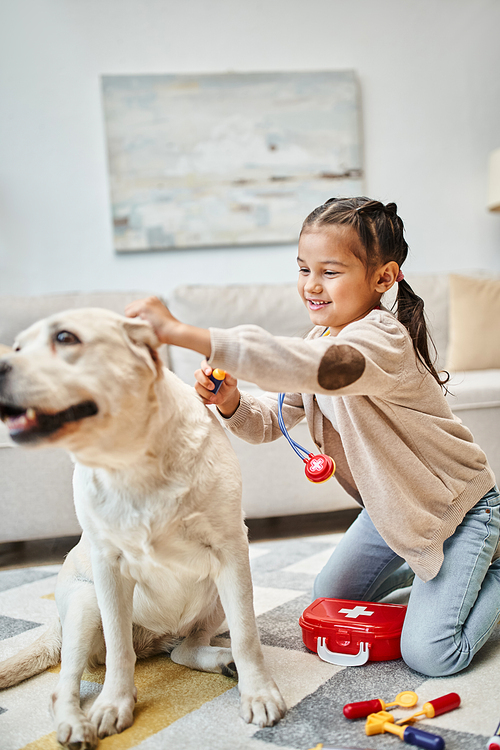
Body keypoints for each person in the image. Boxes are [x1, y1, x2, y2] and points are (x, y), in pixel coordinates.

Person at [125, 196, 500, 677]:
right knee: (330, 599)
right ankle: (446, 574)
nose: (312, 285)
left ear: (383, 278)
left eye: (330, 271)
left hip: (458, 510)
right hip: (392, 511)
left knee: (431, 655)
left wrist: (182, 332)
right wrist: (231, 402)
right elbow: (268, 422)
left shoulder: (381, 338)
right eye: (303, 269)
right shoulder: (316, 341)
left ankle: (487, 565)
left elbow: (317, 369)